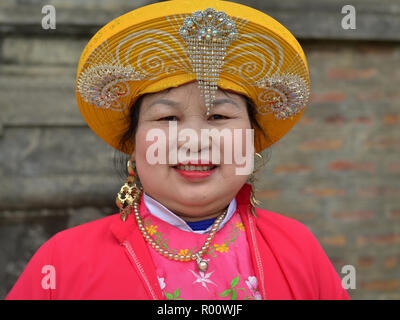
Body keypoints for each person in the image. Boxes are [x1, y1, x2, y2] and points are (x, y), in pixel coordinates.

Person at [6, 0, 350, 300]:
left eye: (219, 115)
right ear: (134, 144)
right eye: (168, 117)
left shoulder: (299, 250)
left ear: (251, 140)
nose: (194, 139)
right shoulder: (62, 262)